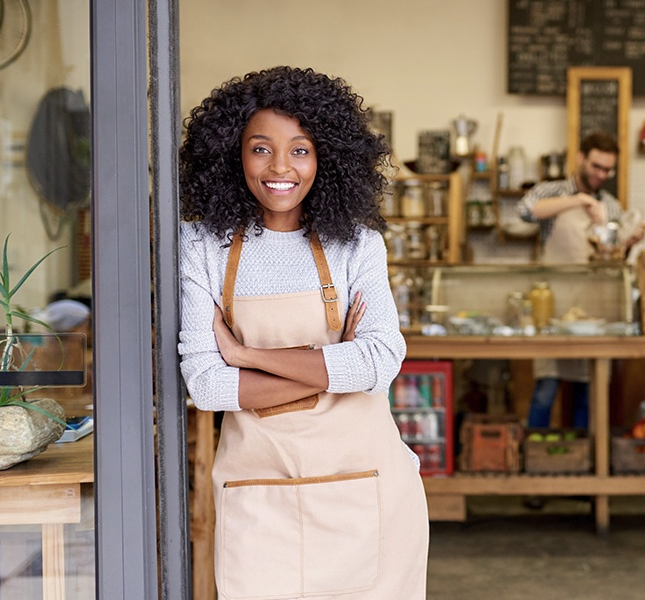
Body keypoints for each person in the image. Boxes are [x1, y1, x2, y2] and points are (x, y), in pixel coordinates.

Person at [177, 66, 428, 599]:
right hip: (257, 493)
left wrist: (246, 355)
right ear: (233, 155)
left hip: (370, 489)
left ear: (325, 159)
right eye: (260, 148)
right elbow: (207, 386)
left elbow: (381, 361)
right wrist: (335, 365)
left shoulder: (358, 245)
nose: (280, 167)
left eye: (300, 149)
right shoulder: (200, 245)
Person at [517, 131, 644, 431]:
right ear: (580, 159)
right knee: (545, 391)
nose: (602, 174)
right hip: (553, 305)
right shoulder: (552, 191)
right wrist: (577, 200)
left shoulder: (611, 206)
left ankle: (581, 459)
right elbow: (525, 210)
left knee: (588, 392)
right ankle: (536, 459)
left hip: (591, 309)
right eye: (596, 166)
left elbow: (610, 256)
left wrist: (628, 242)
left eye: (607, 170)